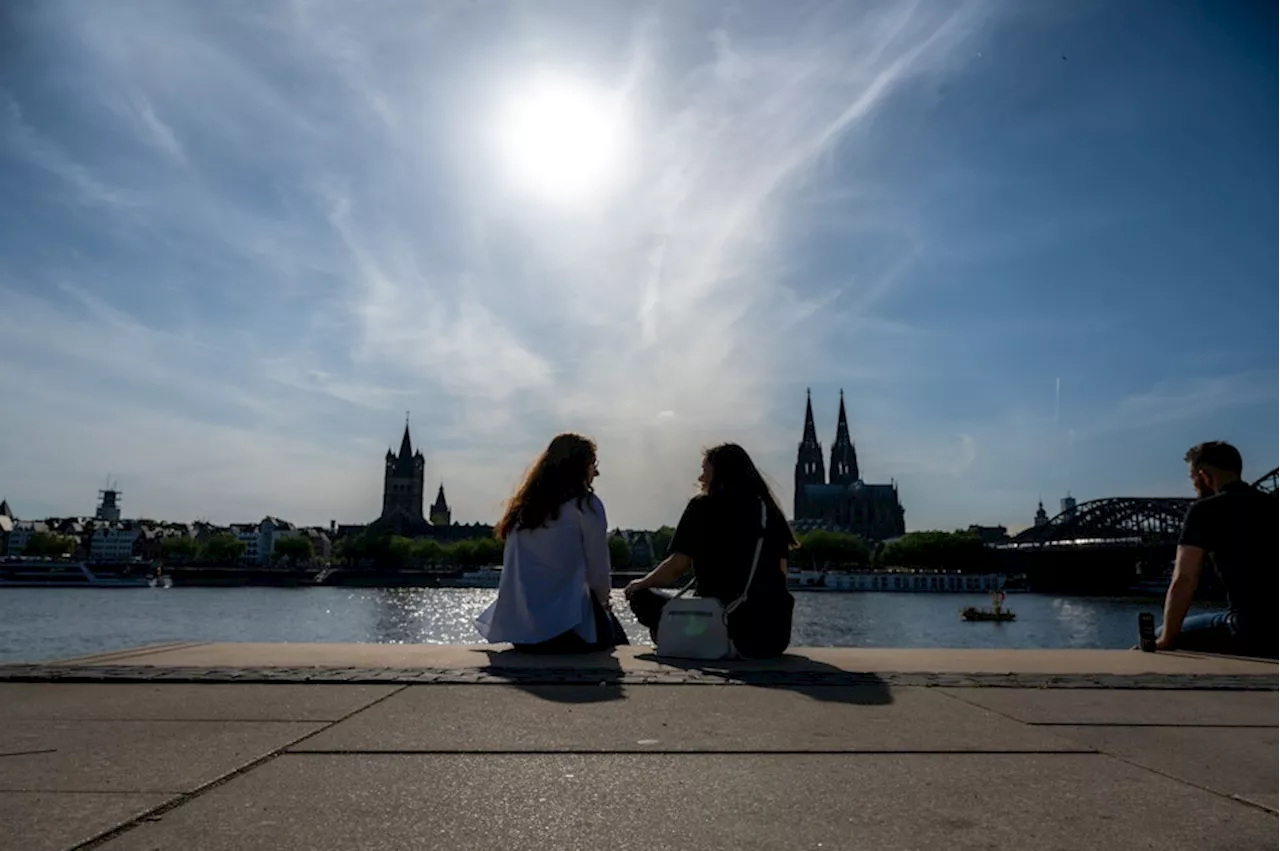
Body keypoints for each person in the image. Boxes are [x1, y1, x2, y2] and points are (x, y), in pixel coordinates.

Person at [625, 443, 797, 658]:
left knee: (640, 595)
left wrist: (641, 584)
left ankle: (678, 636)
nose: (700, 478)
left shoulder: (702, 506)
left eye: (704, 470)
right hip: (771, 637)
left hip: (720, 627)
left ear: (720, 473)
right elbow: (782, 573)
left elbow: (676, 568)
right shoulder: (769, 511)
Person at [475, 433, 625, 654]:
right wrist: (603, 603)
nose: (597, 472)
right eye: (593, 464)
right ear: (580, 467)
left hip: (521, 635)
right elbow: (599, 572)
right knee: (617, 639)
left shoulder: (522, 511)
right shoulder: (586, 506)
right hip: (566, 632)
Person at [1155, 441, 1280, 659]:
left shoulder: (1205, 510)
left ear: (1204, 477)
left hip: (1249, 629)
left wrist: (1167, 639)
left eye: (1193, 479)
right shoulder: (1273, 504)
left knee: (1159, 632)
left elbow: (1184, 579)